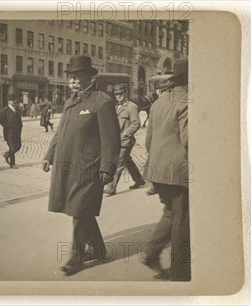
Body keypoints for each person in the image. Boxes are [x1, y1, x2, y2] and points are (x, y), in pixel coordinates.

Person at [42, 55, 120, 276]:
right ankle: (99, 249)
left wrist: (107, 167)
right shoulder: (70, 102)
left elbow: (111, 139)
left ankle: (76, 258)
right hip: (67, 166)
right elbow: (60, 133)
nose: (73, 82)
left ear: (90, 78)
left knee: (79, 209)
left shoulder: (102, 101)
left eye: (78, 77)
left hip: (90, 168)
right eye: (71, 78)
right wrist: (49, 155)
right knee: (81, 210)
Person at [140, 60, 190, 281]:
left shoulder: (159, 102)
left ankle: (151, 252)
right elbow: (191, 140)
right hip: (179, 172)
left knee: (171, 213)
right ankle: (181, 273)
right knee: (182, 221)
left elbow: (149, 141)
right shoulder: (188, 100)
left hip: (158, 171)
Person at [103, 84, 145, 195]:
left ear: (125, 93)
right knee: (127, 160)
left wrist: (125, 134)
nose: (118, 96)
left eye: (120, 93)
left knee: (118, 162)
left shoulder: (132, 107)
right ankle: (139, 180)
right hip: (116, 140)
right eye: (116, 94)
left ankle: (111, 187)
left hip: (125, 141)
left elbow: (136, 124)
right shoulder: (117, 106)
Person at [0, 93, 23, 169]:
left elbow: (19, 120)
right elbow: (2, 122)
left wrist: (20, 127)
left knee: (18, 146)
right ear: (8, 101)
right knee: (12, 147)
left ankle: (7, 154)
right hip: (9, 132)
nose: (14, 101)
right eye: (12, 100)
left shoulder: (17, 109)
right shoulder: (3, 110)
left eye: (14, 100)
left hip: (17, 132)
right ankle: (12, 164)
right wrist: (10, 126)